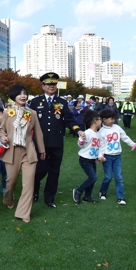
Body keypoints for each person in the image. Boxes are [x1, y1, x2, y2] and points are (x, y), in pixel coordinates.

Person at [30, 73, 82, 208]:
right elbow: (27, 120)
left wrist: (77, 130)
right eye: (48, 84)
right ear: (43, 86)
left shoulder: (62, 102)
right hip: (40, 143)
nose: (51, 86)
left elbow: (69, 119)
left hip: (56, 142)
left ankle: (49, 198)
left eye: (54, 84)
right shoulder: (35, 102)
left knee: (54, 171)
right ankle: (34, 190)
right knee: (39, 170)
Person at [0, 85, 45, 222]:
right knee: (11, 181)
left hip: (28, 152)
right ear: (14, 97)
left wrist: (42, 150)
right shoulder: (7, 113)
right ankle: (8, 199)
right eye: (19, 94)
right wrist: (3, 137)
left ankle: (23, 213)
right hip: (12, 151)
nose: (23, 96)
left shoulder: (32, 113)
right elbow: (2, 130)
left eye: (25, 93)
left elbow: (38, 133)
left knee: (28, 183)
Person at [98, 109, 135, 205]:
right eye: (111, 118)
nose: (113, 120)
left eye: (114, 118)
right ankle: (103, 191)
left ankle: (121, 197)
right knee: (108, 177)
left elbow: (125, 137)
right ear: (104, 119)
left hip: (117, 156)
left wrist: (134, 145)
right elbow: (101, 146)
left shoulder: (117, 128)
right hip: (107, 157)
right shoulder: (101, 131)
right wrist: (100, 156)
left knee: (119, 177)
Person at [72, 110, 105, 204]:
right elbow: (80, 144)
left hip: (92, 160)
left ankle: (87, 197)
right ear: (95, 121)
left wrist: (100, 156)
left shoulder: (98, 134)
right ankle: (78, 191)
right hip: (84, 159)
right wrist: (82, 138)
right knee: (93, 178)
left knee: (93, 178)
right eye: (100, 120)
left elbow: (100, 148)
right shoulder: (87, 132)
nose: (101, 122)